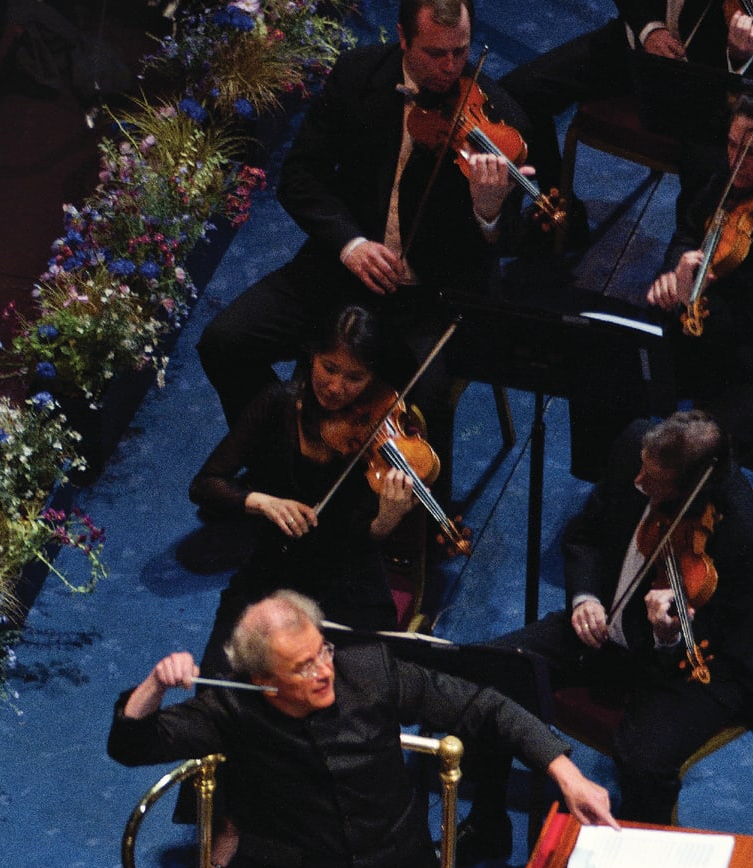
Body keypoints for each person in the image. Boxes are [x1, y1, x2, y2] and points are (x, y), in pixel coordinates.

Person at [108, 590, 617, 868]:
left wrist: (565, 774)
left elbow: (482, 706)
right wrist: (154, 684)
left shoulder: (369, 671)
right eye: (302, 667)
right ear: (263, 680)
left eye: (321, 651)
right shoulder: (235, 709)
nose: (323, 669)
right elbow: (131, 745)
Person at [195, 0, 532, 501]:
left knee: (427, 398)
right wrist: (351, 244)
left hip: (430, 296)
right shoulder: (358, 76)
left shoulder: (497, 116)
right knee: (225, 341)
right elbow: (302, 176)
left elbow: (507, 245)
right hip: (343, 269)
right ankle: (283, 465)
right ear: (402, 38)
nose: (450, 68)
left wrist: (488, 210)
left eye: (461, 52)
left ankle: (412, 528)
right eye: (435, 54)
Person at [462, 411, 753, 855]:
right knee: (489, 674)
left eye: (653, 479)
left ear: (693, 485)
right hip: (603, 628)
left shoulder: (741, 535)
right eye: (640, 466)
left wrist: (669, 634)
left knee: (643, 761)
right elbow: (585, 536)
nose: (638, 479)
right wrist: (585, 596)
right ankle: (488, 827)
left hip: (696, 666)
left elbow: (726, 634)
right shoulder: (638, 450)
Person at [189, 305, 418, 679]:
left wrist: (387, 520)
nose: (336, 387)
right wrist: (260, 501)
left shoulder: (384, 431)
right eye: (329, 368)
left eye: (355, 377)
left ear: (373, 377)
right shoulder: (277, 403)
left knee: (356, 693)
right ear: (311, 356)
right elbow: (205, 484)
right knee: (221, 684)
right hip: (273, 568)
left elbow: (365, 544)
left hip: (347, 578)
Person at [645, 78, 753, 457]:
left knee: (689, 449)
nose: (735, 158)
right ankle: (622, 492)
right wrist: (676, 268)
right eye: (731, 144)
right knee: (620, 365)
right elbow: (689, 228)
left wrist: (688, 294)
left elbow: (741, 325)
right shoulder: (731, 178)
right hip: (715, 342)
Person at [499, 0, 753, 218]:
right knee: (517, 94)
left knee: (712, 164)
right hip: (632, 46)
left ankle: (683, 268)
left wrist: (739, 56)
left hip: (701, 80)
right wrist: (650, 30)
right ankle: (559, 210)